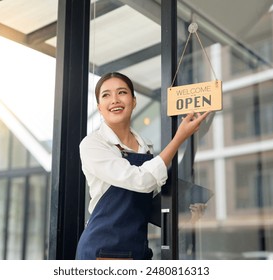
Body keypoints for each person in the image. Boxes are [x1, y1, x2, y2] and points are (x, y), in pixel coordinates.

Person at [75, 72, 210, 260]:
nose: (114, 99)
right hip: (104, 248)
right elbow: (141, 180)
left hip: (137, 245)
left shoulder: (145, 145)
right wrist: (179, 138)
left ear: (134, 101)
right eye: (106, 95)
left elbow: (149, 200)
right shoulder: (93, 144)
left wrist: (185, 215)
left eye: (122, 92)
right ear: (99, 107)